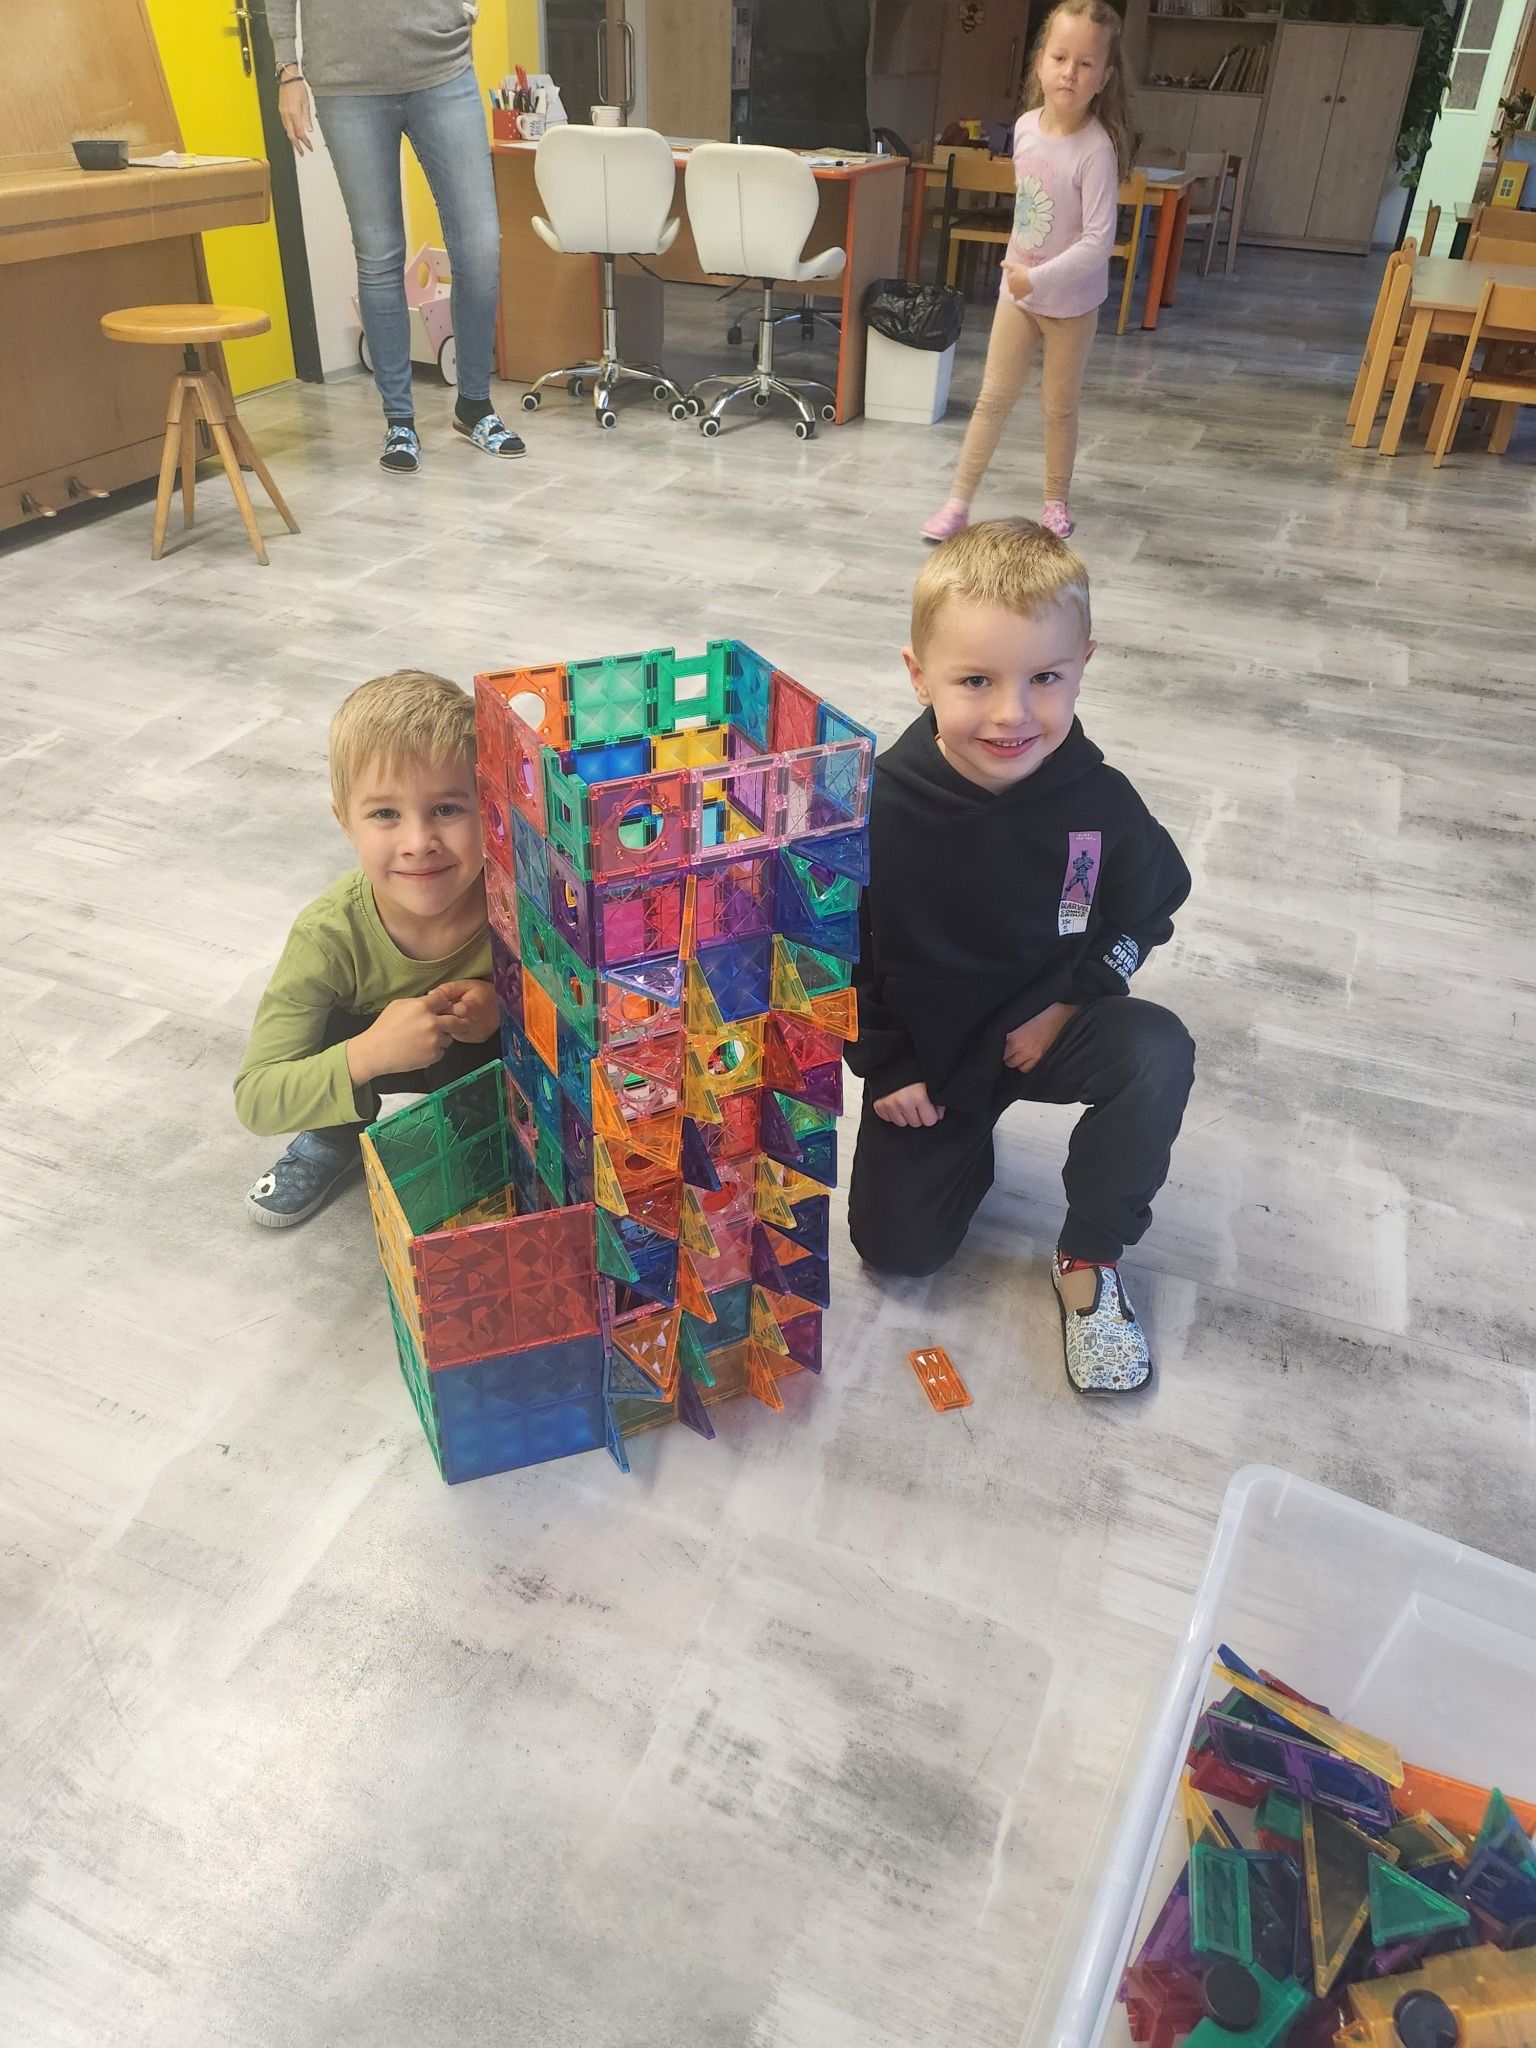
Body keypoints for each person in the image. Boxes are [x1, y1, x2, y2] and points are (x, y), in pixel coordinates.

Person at [845, 521, 1195, 1393]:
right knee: (897, 1253)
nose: (1012, 713)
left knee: (1156, 1050)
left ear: (1083, 665)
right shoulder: (870, 810)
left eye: (1045, 678)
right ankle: (967, 1141)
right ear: (918, 675)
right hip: (930, 1058)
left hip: (1050, 1028)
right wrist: (886, 1065)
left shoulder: (1099, 800)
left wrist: (1076, 998)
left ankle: (1090, 1260)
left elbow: (1150, 905)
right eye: (976, 680)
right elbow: (833, 954)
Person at [236, 670, 499, 1227]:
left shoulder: (518, 895)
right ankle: (332, 1137)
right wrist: (369, 1054)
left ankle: (479, 1136)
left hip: (474, 1062)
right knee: (327, 1031)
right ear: (345, 821)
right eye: (385, 814)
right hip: (368, 1053)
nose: (418, 843)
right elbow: (256, 1097)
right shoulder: (327, 937)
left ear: (488, 806)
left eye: (447, 809)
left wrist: (504, 1006)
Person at [270, 0, 524, 475]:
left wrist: (465, 11)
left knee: (480, 246)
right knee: (379, 254)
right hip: (347, 83)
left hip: (442, 68)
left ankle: (474, 405)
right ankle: (399, 421)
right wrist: (288, 70)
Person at [921, 0, 1133, 545]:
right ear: (1040, 63)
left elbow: (1098, 241)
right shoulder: (1024, 129)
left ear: (1104, 78)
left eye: (1086, 64)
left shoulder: (1097, 151)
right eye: (1060, 58)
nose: (1070, 72)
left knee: (1058, 407)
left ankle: (1056, 501)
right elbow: (1030, 212)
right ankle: (957, 503)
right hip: (1017, 296)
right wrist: (1020, 278)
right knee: (992, 399)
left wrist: (1036, 279)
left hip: (1070, 304)